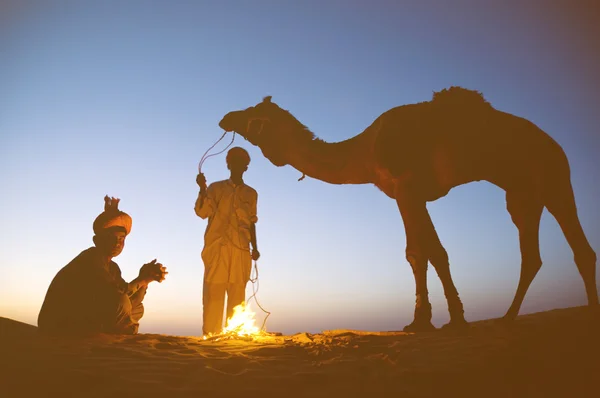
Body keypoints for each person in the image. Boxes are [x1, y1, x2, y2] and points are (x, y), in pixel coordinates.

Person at [38, 196, 168, 336]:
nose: (117, 243)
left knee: (137, 308)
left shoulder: (113, 268)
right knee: (122, 302)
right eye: (111, 237)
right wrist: (141, 279)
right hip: (60, 324)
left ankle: (119, 327)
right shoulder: (91, 259)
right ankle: (118, 330)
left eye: (121, 239)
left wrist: (146, 280)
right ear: (97, 240)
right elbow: (119, 295)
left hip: (88, 315)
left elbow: (129, 296)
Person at [195, 146, 260, 336]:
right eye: (234, 162)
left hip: (241, 250)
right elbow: (202, 212)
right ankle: (211, 335)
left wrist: (255, 248)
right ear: (228, 164)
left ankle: (233, 336)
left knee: (237, 295)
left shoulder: (251, 194)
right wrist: (202, 189)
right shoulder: (215, 188)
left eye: (241, 163)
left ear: (246, 167)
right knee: (213, 293)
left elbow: (252, 222)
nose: (237, 166)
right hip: (217, 249)